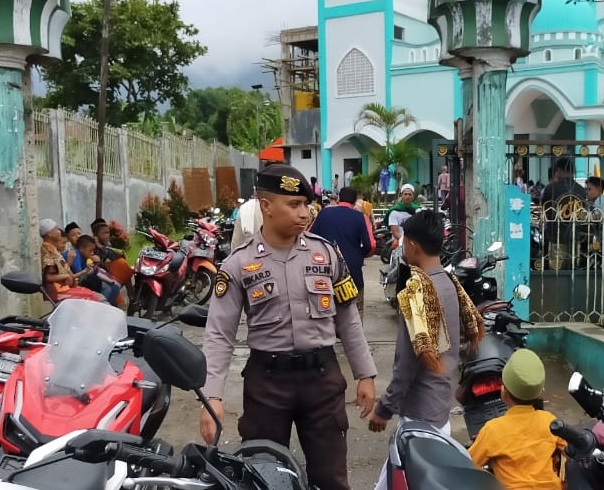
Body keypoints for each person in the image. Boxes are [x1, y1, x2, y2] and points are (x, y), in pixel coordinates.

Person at [200, 164, 377, 490]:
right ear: (266, 206)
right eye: (293, 204)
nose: (305, 212)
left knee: (331, 479)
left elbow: (348, 319)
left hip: (322, 381)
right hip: (267, 385)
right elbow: (219, 335)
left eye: (306, 204)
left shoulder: (326, 255)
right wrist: (211, 395)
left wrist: (364, 374)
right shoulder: (238, 264)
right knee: (264, 476)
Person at [369, 210, 485, 490]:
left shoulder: (417, 291)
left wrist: (384, 409)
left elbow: (407, 363)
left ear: (412, 246)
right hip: (439, 407)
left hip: (420, 415)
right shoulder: (448, 282)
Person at [469, 349, 566, 490]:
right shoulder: (549, 421)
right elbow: (570, 448)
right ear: (540, 393)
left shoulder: (493, 429)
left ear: (504, 392)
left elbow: (469, 463)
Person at [309, 187, 375, 319]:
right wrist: (359, 254)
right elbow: (371, 246)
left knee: (325, 311)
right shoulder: (361, 217)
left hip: (326, 270)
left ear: (339, 199)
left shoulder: (324, 214)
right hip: (352, 272)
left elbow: (310, 237)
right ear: (355, 201)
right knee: (354, 311)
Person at [39, 219, 99, 303]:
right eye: (56, 229)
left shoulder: (53, 249)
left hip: (64, 287)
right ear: (49, 233)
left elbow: (63, 271)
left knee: (93, 295)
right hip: (57, 291)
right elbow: (48, 277)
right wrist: (67, 276)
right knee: (92, 297)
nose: (59, 232)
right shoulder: (48, 250)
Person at [75, 234, 123, 305]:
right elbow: (81, 277)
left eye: (93, 251)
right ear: (81, 248)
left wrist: (95, 264)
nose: (92, 253)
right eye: (90, 250)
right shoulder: (76, 255)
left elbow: (93, 271)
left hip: (90, 282)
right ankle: (102, 307)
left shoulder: (84, 257)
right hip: (81, 284)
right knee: (108, 288)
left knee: (115, 286)